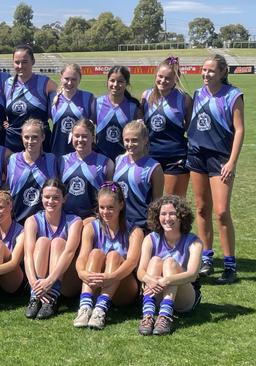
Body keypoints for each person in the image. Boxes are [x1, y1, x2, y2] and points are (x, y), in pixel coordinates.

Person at [187, 54, 244, 284]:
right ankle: (207, 258)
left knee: (221, 212)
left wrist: (232, 162)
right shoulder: (197, 94)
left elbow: (239, 130)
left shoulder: (233, 95)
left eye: (211, 71)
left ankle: (230, 265)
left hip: (220, 158)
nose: (206, 74)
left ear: (222, 72)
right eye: (203, 70)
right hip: (197, 156)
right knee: (201, 208)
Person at [73, 182, 143, 329]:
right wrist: (82, 272)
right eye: (102, 207)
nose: (105, 212)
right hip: (97, 285)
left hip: (124, 288)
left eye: (111, 207)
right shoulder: (91, 228)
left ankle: (100, 310)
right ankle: (85, 307)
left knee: (114, 256)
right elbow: (82, 257)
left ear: (121, 205)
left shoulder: (135, 231)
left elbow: (132, 262)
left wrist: (113, 277)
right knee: (95, 253)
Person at [137, 195, 202, 335]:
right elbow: (140, 271)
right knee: (154, 261)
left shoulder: (194, 241)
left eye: (172, 214)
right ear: (157, 216)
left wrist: (166, 280)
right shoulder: (150, 238)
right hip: (157, 291)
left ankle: (165, 316)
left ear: (181, 216)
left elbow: (192, 274)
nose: (167, 218)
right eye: (163, 214)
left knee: (170, 263)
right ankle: (148, 315)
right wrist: (150, 280)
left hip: (185, 298)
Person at [23, 179, 82, 319]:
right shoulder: (32, 220)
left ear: (64, 199)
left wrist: (49, 281)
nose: (50, 201)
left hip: (66, 280)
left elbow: (69, 253)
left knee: (58, 243)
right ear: (41, 197)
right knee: (42, 241)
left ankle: (51, 299)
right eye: (47, 197)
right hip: (38, 282)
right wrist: (33, 283)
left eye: (56, 198)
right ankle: (35, 298)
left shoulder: (74, 221)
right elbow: (28, 254)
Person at [141, 56, 192, 197]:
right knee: (150, 202)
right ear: (155, 75)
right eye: (160, 76)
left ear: (176, 79)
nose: (162, 81)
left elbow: (192, 131)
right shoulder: (146, 96)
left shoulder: (184, 99)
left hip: (175, 157)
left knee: (174, 204)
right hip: (149, 155)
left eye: (168, 78)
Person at [4, 44, 57, 152]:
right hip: (13, 143)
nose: (20, 66)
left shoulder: (45, 82)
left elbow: (61, 96)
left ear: (33, 61)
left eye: (24, 62)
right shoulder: (8, 84)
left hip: (39, 145)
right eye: (17, 62)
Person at [113, 121, 164, 230]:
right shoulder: (119, 160)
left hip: (140, 224)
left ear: (145, 140)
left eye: (134, 140)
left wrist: (152, 226)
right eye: (126, 140)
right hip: (117, 221)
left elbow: (157, 202)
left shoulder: (154, 167)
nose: (130, 144)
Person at [59, 118, 114, 219]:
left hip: (93, 218)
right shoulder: (62, 161)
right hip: (65, 219)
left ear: (93, 138)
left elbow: (110, 194)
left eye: (84, 136)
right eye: (77, 136)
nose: (80, 140)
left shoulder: (106, 163)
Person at [6, 119, 58, 224]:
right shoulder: (13, 159)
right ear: (21, 137)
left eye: (35, 137)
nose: (30, 141)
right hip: (16, 221)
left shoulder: (51, 159)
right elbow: (6, 187)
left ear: (43, 137)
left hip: (44, 222)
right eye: (26, 137)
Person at [95, 66, 141, 160]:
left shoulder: (133, 107)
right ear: (107, 82)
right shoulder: (96, 103)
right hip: (100, 161)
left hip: (125, 161)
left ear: (126, 83)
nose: (115, 84)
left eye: (120, 81)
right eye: (112, 80)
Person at [49, 64, 96, 156]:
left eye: (74, 79)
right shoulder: (52, 97)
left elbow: (92, 126)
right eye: (66, 79)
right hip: (58, 153)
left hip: (82, 155)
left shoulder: (88, 98)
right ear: (61, 78)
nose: (70, 83)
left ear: (79, 80)